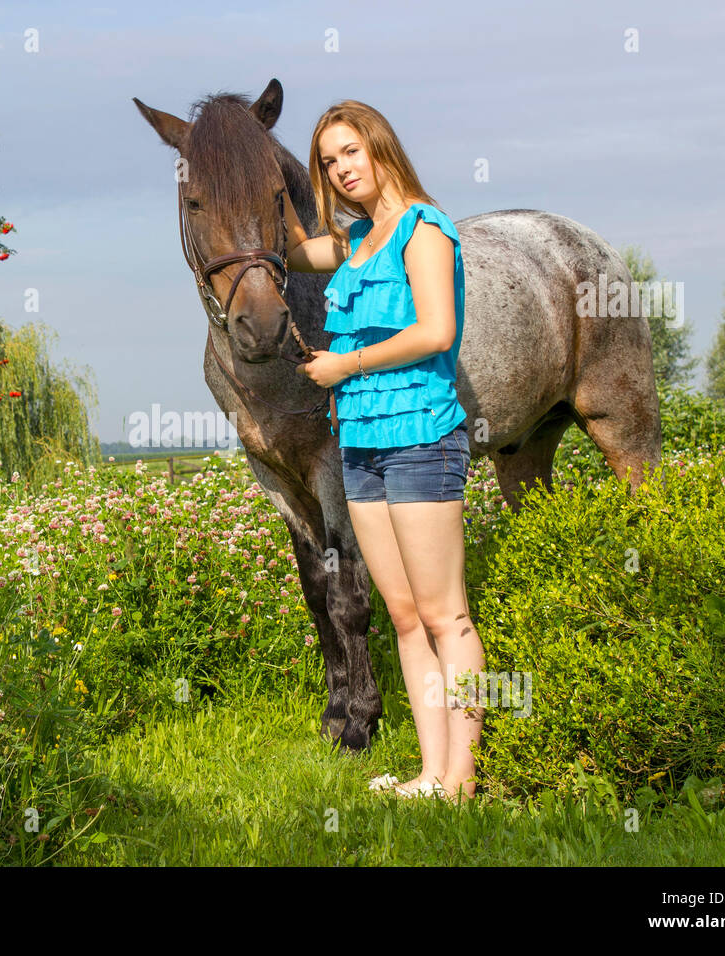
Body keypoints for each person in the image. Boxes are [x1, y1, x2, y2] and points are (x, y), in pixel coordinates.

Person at [283, 100, 485, 804]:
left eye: (349, 153)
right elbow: (287, 253)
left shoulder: (422, 229)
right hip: (361, 446)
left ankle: (461, 778)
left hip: (422, 438)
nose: (340, 170)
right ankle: (430, 773)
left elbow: (435, 331)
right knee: (403, 616)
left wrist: (346, 365)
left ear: (380, 149)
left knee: (445, 614)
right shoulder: (358, 242)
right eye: (328, 162)